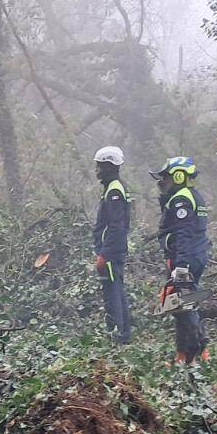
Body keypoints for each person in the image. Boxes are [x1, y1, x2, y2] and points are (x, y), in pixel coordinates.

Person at [151, 156, 210, 364]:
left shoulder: (181, 199)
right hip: (191, 256)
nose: (161, 182)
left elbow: (184, 234)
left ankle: (195, 351)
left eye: (165, 178)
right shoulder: (192, 196)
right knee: (179, 304)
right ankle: (183, 353)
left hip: (185, 258)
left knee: (184, 305)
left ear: (178, 176)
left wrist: (181, 266)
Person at [91, 146, 132, 344]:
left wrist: (104, 253)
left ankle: (117, 335)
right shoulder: (113, 188)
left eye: (99, 166)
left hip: (111, 251)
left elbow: (116, 226)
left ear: (108, 166)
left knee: (112, 292)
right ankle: (123, 334)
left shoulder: (115, 191)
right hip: (112, 249)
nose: (97, 171)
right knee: (117, 290)